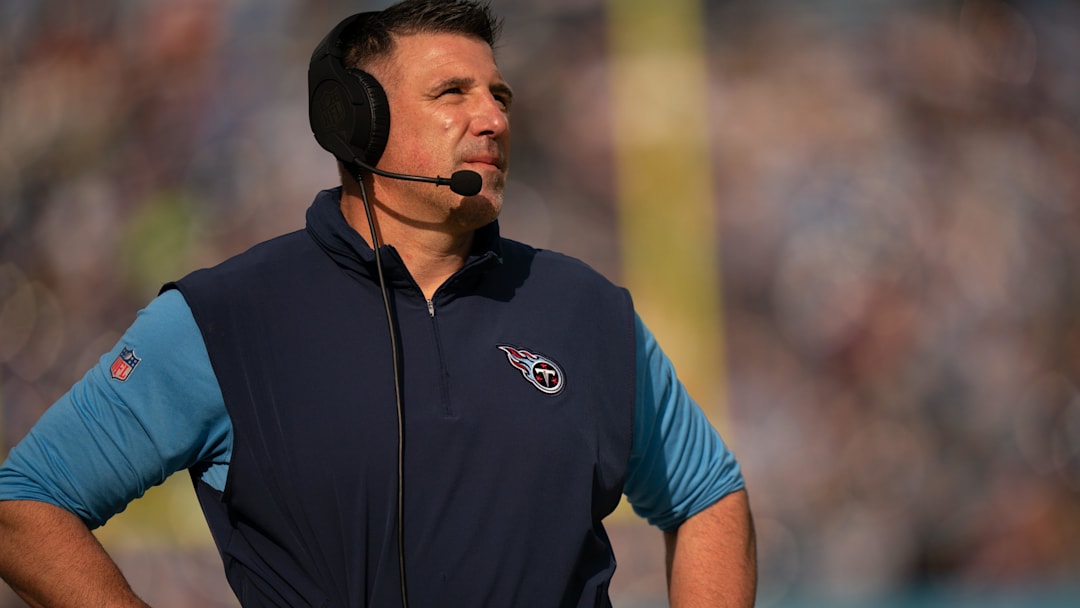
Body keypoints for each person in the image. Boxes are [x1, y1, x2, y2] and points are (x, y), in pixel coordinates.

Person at [0, 1, 756, 606]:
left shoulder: (586, 310)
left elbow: (709, 496)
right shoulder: (223, 318)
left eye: (499, 94)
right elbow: (26, 505)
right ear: (354, 123)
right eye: (451, 94)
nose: (492, 117)